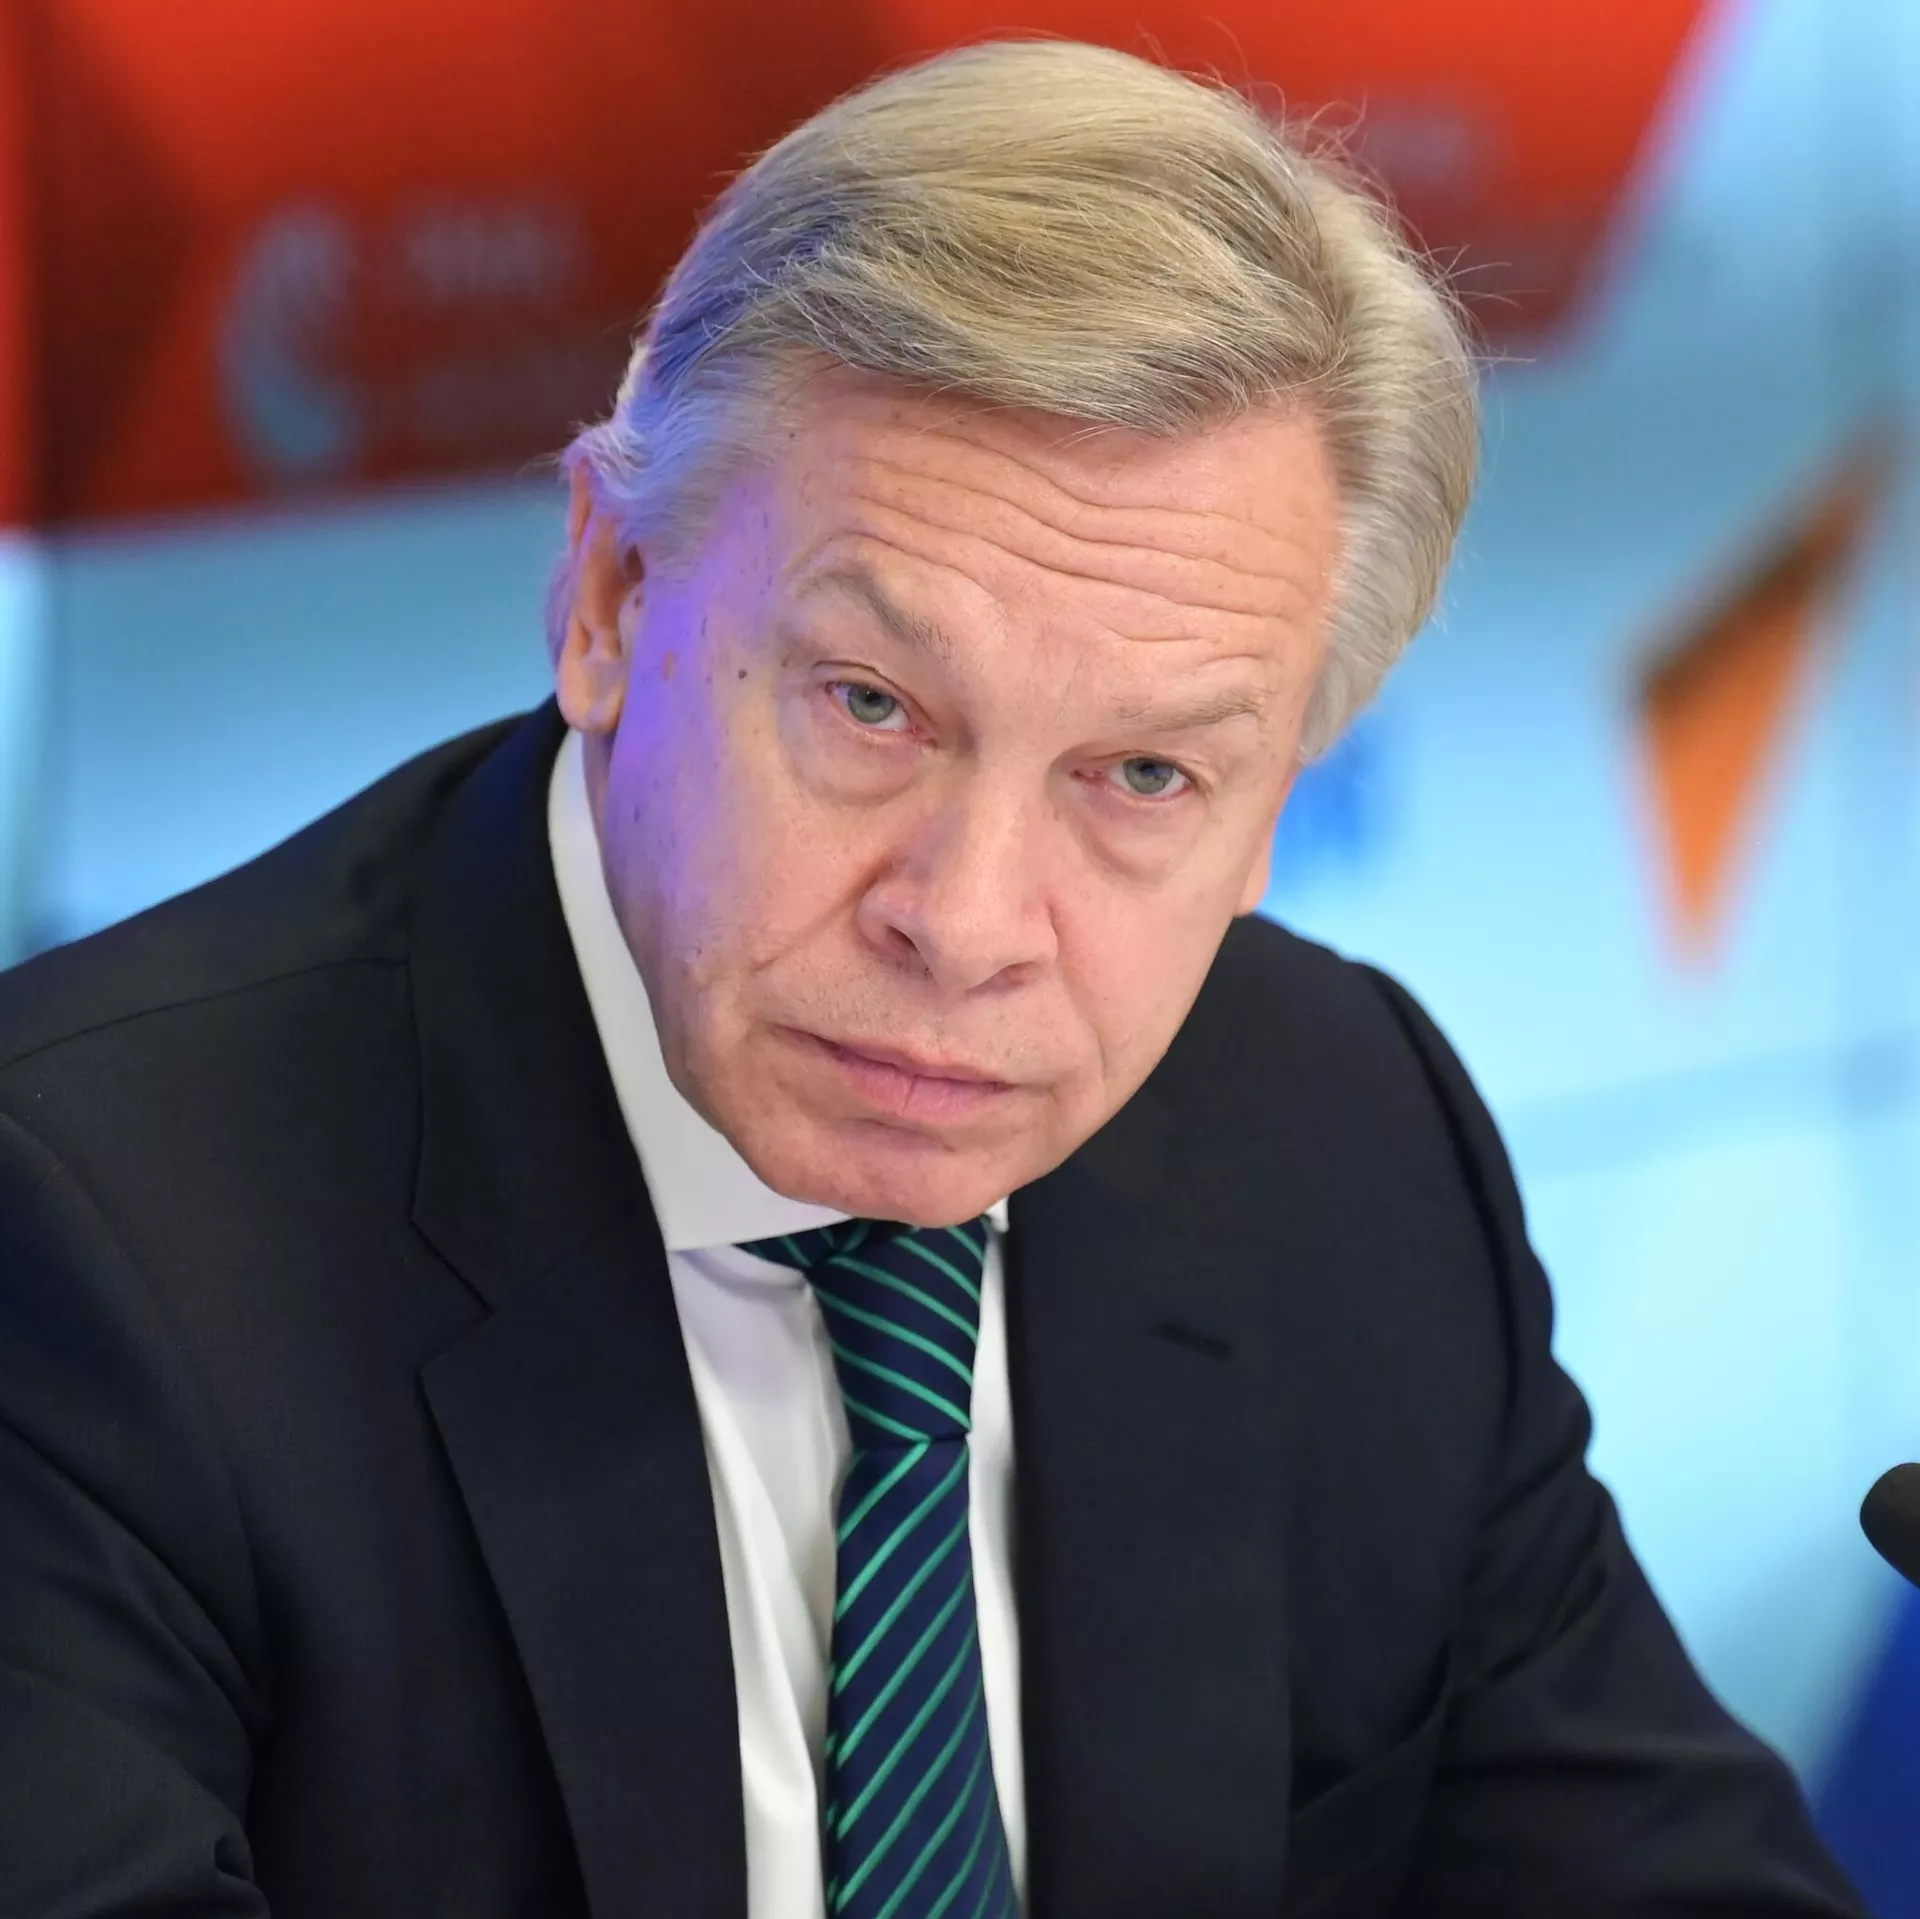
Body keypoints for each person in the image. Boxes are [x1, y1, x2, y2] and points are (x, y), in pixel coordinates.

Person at [0, 38, 1864, 1919]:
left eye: (1145, 776)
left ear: (1280, 799)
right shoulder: (89, 1252)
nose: (967, 924)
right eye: (872, 705)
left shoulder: (1344, 1140)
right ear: (611, 597)